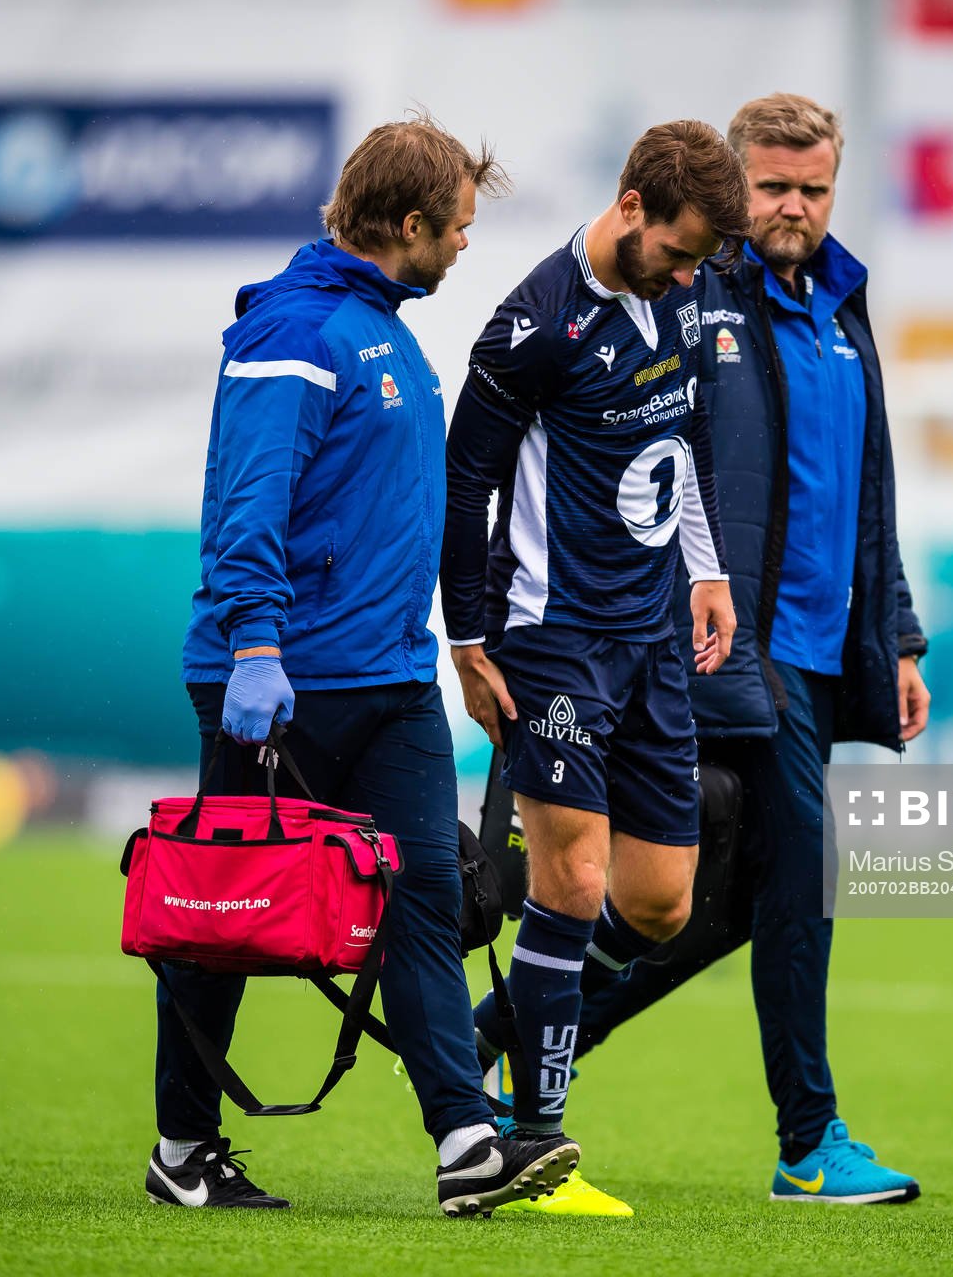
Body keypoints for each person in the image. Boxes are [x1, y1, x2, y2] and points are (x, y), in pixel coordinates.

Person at [159, 115, 578, 1217]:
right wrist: (253, 642)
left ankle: (466, 1143)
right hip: (278, 683)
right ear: (408, 225)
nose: (467, 246)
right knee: (226, 914)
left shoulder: (383, 329)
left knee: (426, 898)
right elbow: (247, 502)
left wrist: (463, 648)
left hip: (390, 683)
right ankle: (182, 1147)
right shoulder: (291, 331)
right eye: (459, 229)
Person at [574, 94, 931, 1205]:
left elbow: (865, 490)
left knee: (716, 906)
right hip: (733, 650)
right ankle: (809, 1142)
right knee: (798, 880)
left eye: (813, 188)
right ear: (738, 185)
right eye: (773, 185)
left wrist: (900, 635)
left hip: (828, 653)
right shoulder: (696, 294)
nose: (793, 206)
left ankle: (505, 1039)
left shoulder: (840, 303)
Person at [442, 120, 750, 1217]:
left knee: (661, 903)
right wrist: (468, 638)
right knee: (569, 886)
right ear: (631, 205)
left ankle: (484, 1034)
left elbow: (691, 438)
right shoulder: (534, 322)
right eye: (678, 249)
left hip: (655, 632)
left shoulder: (694, 289)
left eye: (703, 258)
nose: (689, 272)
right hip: (552, 635)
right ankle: (532, 1146)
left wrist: (706, 573)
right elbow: (468, 475)